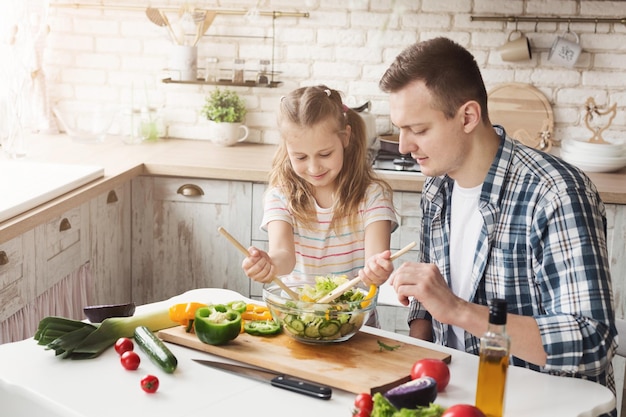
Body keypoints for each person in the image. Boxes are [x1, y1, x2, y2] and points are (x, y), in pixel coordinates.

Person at [377, 37, 617, 409]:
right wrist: (415, 365)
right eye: (400, 128)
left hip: (545, 406)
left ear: (468, 117)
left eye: (419, 130)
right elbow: (428, 306)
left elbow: (591, 341)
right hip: (458, 399)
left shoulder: (555, 194)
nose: (405, 145)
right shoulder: (437, 188)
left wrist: (458, 310)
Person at [242, 85, 398, 289]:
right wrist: (269, 264)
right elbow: (284, 257)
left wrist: (377, 270)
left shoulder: (373, 196)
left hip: (354, 318)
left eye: (325, 154)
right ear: (287, 148)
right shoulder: (280, 196)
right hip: (297, 315)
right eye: (300, 157)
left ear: (345, 137)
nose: (314, 168)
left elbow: (375, 259)